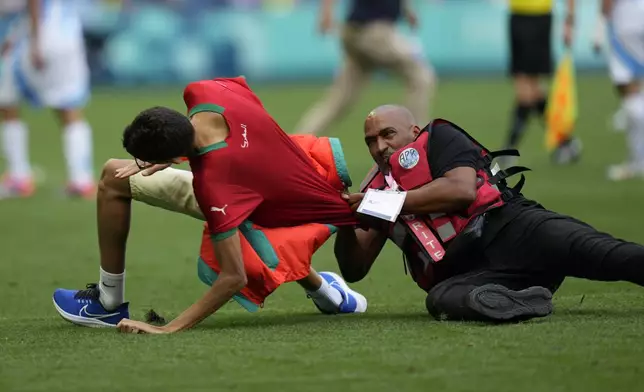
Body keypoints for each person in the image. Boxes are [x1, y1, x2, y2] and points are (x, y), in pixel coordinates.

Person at [52, 77, 368, 334]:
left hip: (291, 213)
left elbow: (233, 277)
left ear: (174, 158)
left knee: (251, 235)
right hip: (299, 172)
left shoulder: (216, 186)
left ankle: (326, 292)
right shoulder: (205, 91)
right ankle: (328, 293)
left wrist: (167, 329)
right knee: (114, 175)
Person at [335, 105, 644, 323]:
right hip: (476, 273)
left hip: (515, 228)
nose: (380, 146)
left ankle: (521, 298)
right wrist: (345, 219)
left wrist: (383, 204)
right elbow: (355, 269)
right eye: (370, 141)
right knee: (441, 300)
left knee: (607, 254)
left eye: (387, 134)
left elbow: (461, 190)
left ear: (413, 131)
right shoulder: (374, 191)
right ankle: (525, 302)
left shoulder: (439, 138)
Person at [293, 0, 435, 136]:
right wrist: (326, 12)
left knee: (339, 100)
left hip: (354, 32)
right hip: (374, 32)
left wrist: (407, 11)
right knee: (421, 77)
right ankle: (416, 143)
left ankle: (296, 142)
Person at [0, 0, 95, 199]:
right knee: (70, 108)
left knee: (7, 102)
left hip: (40, 34)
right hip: (69, 34)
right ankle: (82, 179)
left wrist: (35, 41)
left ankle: (19, 178)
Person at [502, 0, 581, 166]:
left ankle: (510, 148)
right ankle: (565, 142)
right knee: (533, 91)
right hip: (517, 16)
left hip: (539, 17)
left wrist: (570, 20)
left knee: (526, 90)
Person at [593, 0, 644, 181]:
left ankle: (638, 161)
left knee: (627, 87)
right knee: (636, 84)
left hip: (627, 21)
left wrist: (599, 28)